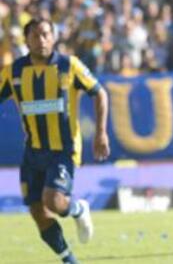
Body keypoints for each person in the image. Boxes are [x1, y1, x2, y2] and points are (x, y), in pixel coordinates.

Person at [0, 18, 110, 264]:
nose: (42, 40)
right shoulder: (13, 72)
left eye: (46, 34)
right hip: (33, 152)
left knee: (54, 201)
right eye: (36, 36)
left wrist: (101, 132)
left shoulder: (69, 66)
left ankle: (78, 209)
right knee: (38, 211)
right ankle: (69, 260)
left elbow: (99, 92)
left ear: (54, 37)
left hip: (64, 149)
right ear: (26, 40)